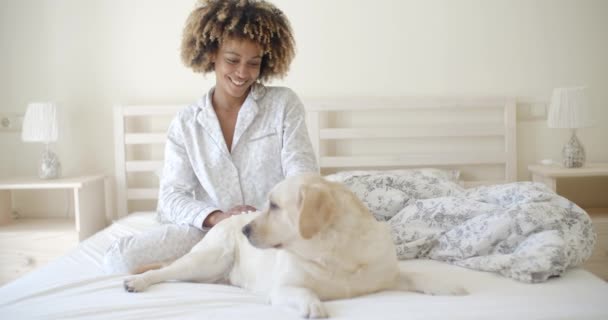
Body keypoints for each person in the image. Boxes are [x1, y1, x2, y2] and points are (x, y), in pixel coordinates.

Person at [103, 0, 318, 273]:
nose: (242, 73)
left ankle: (219, 266)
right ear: (211, 53)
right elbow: (171, 198)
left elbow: (303, 177)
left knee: (319, 254)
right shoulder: (186, 123)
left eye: (253, 63)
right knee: (119, 260)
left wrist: (262, 216)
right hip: (208, 230)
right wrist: (218, 218)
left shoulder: (284, 104)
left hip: (272, 227)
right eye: (232, 60)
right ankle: (212, 262)